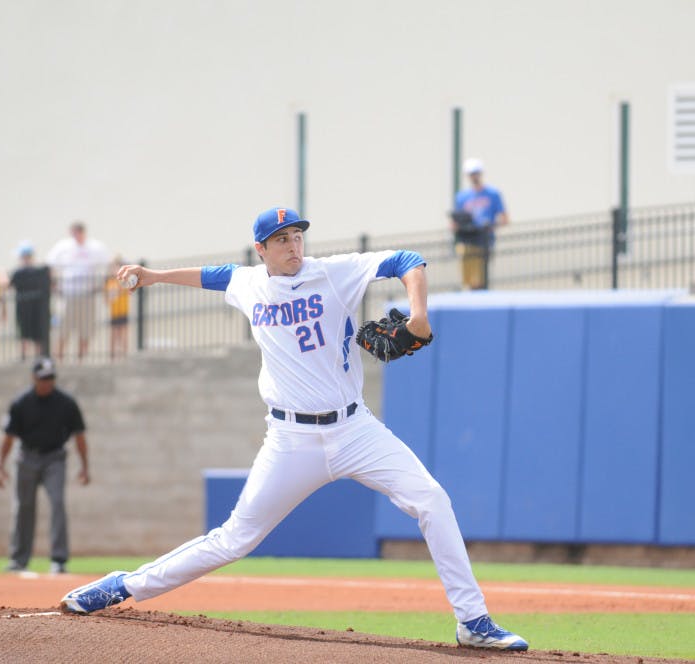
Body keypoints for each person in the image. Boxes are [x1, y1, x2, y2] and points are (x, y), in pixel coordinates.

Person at [59, 207, 529, 651]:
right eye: (281, 239)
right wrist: (155, 275)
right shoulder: (247, 283)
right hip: (290, 441)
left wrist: (418, 312)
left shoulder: (333, 272)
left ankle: (472, 622)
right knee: (233, 539)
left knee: (432, 500)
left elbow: (408, 260)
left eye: (297, 235)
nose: (293, 245)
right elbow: (210, 276)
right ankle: (123, 585)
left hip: (355, 429)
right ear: (261, 249)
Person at [0, 357, 90, 575]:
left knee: (57, 503)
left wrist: (85, 467)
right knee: (23, 507)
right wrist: (0, 467)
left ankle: (58, 560)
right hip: (26, 457)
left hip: (54, 458)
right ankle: (19, 559)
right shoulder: (21, 403)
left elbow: (80, 437)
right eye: (42, 379)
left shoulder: (66, 403)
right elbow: (8, 438)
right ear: (34, 378)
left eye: (50, 378)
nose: (47, 382)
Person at [45, 221, 111, 362]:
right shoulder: (63, 247)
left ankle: (80, 361)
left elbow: (108, 265)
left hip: (87, 295)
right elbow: (49, 265)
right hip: (68, 295)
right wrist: (54, 285)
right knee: (63, 331)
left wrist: (101, 285)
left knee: (85, 331)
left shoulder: (95, 247)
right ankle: (58, 361)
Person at [450, 158, 508, 290]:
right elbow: (455, 222)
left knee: (481, 280)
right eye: (471, 174)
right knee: (468, 280)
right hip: (467, 241)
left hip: (484, 241)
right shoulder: (462, 197)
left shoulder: (493, 194)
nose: (474, 176)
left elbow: (504, 219)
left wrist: (489, 227)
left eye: (476, 173)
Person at [10, 242, 51, 361]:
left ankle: (39, 355)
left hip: (36, 308)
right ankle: (24, 356)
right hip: (23, 308)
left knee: (37, 333)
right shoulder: (18, 273)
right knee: (24, 332)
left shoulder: (38, 272)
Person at [104, 255, 131, 360]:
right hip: (114, 312)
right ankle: (113, 357)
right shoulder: (109, 282)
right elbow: (106, 299)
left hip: (123, 311)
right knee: (114, 335)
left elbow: (127, 291)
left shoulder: (123, 280)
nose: (113, 270)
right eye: (112, 267)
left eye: (115, 267)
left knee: (124, 334)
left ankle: (124, 355)